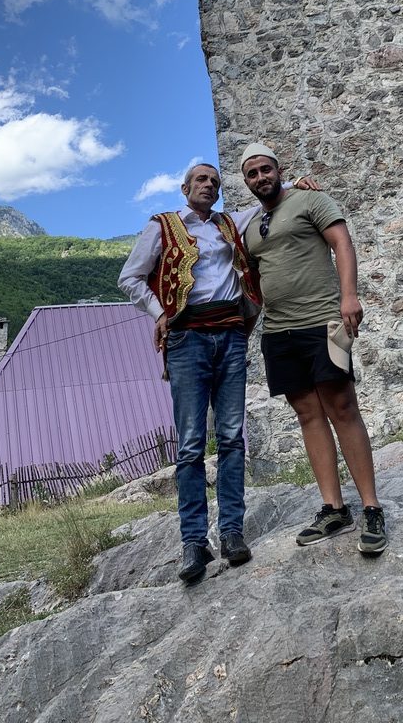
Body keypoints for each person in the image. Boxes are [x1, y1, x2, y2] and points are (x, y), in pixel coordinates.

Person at [118, 161, 317, 583]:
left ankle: (231, 532)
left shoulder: (230, 223)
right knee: (191, 443)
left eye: (214, 181)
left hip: (229, 337)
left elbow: (267, 203)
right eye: (201, 180)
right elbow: (130, 278)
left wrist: (296, 184)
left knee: (231, 437)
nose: (208, 185)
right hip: (187, 339)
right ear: (185, 188)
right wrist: (160, 313)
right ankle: (193, 542)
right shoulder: (162, 226)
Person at [240, 142, 387, 555]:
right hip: (278, 332)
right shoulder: (250, 225)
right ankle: (334, 508)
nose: (260, 178)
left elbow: (342, 242)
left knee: (342, 408)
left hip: (324, 322)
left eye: (266, 169)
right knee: (307, 414)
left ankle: (372, 508)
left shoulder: (311, 200)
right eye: (252, 174)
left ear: (279, 169)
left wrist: (349, 296)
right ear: (246, 181)